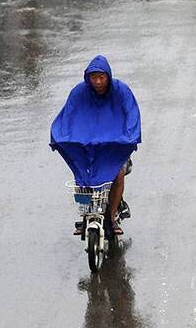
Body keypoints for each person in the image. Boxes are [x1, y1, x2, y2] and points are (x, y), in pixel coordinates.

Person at [51, 55, 141, 235]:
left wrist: (129, 138)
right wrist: (59, 136)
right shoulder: (79, 92)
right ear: (88, 78)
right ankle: (86, 215)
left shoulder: (121, 91)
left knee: (118, 174)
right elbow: (67, 117)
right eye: (94, 78)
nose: (98, 82)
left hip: (114, 145)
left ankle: (113, 215)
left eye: (102, 77)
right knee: (82, 175)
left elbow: (132, 114)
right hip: (87, 145)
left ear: (108, 76)